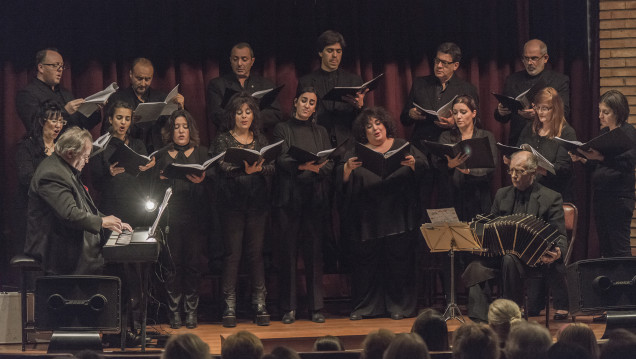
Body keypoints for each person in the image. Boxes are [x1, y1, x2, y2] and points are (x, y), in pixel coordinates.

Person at [338, 107, 427, 321]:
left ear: (386, 125)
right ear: (363, 132)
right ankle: (366, 307)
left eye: (378, 123)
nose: (374, 128)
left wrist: (415, 165)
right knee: (367, 266)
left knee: (399, 263)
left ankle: (400, 306)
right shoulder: (355, 151)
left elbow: (426, 172)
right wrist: (346, 171)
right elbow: (340, 185)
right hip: (367, 218)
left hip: (399, 216)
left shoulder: (403, 146)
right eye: (368, 126)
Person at [462, 150, 568, 322]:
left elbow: (560, 235)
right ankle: (480, 320)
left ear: (533, 172)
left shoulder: (551, 197)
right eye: (511, 170)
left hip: (534, 259)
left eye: (519, 171)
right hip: (500, 254)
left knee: (510, 259)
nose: (514, 175)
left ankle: (511, 315)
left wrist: (558, 252)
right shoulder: (502, 194)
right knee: (477, 265)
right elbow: (490, 226)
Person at [24, 126, 131, 275]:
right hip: (53, 246)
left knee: (118, 259)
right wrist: (101, 223)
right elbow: (69, 214)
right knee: (112, 264)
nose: (87, 162)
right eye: (85, 156)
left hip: (64, 238)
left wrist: (108, 220)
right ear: (70, 153)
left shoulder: (65, 169)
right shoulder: (52, 174)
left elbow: (85, 208)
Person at [211, 93, 274, 327]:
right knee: (232, 255)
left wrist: (258, 170)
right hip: (231, 205)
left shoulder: (260, 138)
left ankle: (260, 304)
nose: (244, 116)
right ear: (232, 115)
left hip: (257, 204)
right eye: (239, 112)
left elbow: (272, 166)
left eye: (248, 112)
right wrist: (244, 171)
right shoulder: (223, 139)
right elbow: (221, 166)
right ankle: (229, 306)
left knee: (255, 255)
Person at [272, 88, 333, 324]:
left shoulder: (320, 131)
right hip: (289, 199)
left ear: (315, 107)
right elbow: (281, 159)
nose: (307, 105)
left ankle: (316, 307)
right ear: (295, 102)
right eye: (304, 101)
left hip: (315, 198)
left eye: (312, 102)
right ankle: (288, 308)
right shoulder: (282, 128)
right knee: (287, 254)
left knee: (314, 255)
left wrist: (315, 167)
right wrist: (305, 166)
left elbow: (329, 162)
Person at [400, 42, 479, 213]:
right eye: (437, 61)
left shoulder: (466, 88)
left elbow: (476, 123)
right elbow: (404, 118)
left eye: (445, 62)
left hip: (448, 154)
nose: (439, 66)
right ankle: (420, 238)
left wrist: (454, 123)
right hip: (421, 151)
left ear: (455, 65)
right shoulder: (420, 83)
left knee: (447, 202)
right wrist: (411, 114)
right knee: (419, 202)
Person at [154, 109, 210, 329]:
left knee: (193, 265)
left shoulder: (201, 152)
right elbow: (153, 186)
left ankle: (191, 312)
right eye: (176, 126)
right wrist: (159, 177)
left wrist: (203, 180)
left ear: (191, 129)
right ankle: (174, 312)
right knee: (172, 266)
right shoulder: (163, 154)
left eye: (184, 126)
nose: (180, 131)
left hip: (195, 216)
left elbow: (213, 181)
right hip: (171, 217)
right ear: (170, 130)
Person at [570, 90, 636, 258]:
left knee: (620, 249)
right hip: (601, 196)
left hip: (619, 198)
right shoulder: (604, 133)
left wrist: (600, 156)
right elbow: (598, 166)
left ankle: (627, 284)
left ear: (618, 112)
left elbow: (627, 164)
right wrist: (583, 158)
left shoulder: (628, 132)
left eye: (605, 112)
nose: (600, 116)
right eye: (599, 111)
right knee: (606, 249)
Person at [91, 101, 156, 227]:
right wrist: (109, 173)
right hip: (111, 207)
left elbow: (148, 180)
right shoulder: (100, 147)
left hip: (137, 206)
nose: (123, 122)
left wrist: (150, 166)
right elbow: (96, 184)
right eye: (119, 118)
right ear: (110, 119)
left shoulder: (138, 145)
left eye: (127, 119)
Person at [14, 101, 66, 260]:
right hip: (35, 212)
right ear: (41, 121)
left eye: (61, 121)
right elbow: (26, 177)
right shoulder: (27, 147)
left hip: (58, 210)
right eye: (53, 120)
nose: (58, 125)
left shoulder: (62, 149)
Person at [297, 30, 366, 147]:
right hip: (317, 142)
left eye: (338, 51)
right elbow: (300, 116)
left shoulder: (354, 80)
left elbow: (363, 119)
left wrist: (360, 107)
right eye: (330, 51)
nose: (335, 55)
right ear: (320, 53)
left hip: (348, 143)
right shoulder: (306, 81)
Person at [495, 39, 570, 146]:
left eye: (534, 58)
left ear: (545, 58)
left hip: (548, 143)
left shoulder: (559, 81)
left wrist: (539, 114)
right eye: (526, 58)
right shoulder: (512, 80)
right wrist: (501, 111)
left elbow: (564, 112)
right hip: (518, 142)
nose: (529, 63)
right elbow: (502, 117)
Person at [102, 58, 185, 152]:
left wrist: (180, 109)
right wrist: (128, 122)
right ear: (131, 75)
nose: (143, 83)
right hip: (127, 151)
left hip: (157, 152)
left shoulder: (162, 98)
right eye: (139, 78)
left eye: (147, 79)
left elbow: (175, 126)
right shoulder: (117, 99)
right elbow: (106, 132)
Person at [438, 95, 497, 220]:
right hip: (453, 195)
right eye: (455, 113)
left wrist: (469, 171)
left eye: (463, 112)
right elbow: (437, 164)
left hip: (478, 194)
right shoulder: (445, 136)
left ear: (473, 113)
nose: (458, 116)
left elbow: (491, 166)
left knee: (479, 235)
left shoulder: (485, 136)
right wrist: (450, 165)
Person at [207, 42, 282, 137]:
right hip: (228, 138)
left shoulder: (266, 84)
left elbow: (276, 114)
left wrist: (249, 118)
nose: (239, 63)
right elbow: (216, 115)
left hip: (258, 138)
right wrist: (244, 118)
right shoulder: (217, 84)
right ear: (230, 60)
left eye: (244, 59)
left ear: (252, 61)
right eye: (235, 59)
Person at [16, 48, 101, 132]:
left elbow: (82, 125)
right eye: (55, 65)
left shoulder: (65, 93)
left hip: (74, 143)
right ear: (41, 68)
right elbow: (35, 127)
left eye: (61, 66)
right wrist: (65, 112)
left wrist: (93, 109)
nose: (60, 70)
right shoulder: (28, 94)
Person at [516, 87, 576, 201]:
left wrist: (539, 168)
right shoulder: (529, 128)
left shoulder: (567, 133)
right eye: (537, 107)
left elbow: (563, 169)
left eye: (545, 108)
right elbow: (518, 150)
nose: (539, 112)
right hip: (529, 192)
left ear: (555, 109)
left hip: (555, 194)